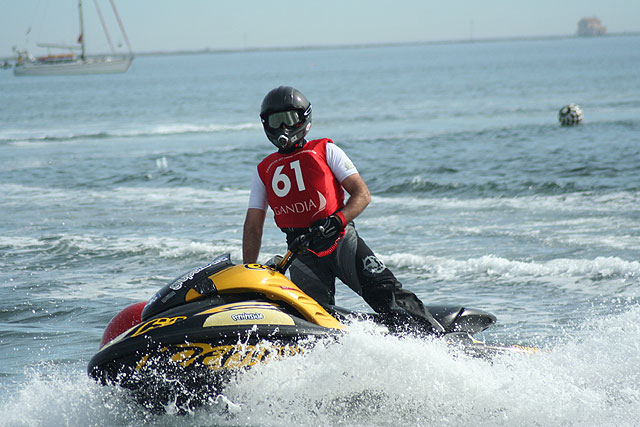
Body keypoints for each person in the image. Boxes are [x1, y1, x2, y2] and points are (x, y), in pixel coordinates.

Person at [242, 86, 444, 334]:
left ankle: (438, 339)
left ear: (304, 119)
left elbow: (362, 195)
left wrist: (337, 221)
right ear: (266, 125)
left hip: (341, 242)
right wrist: (248, 272)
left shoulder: (326, 151)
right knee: (314, 326)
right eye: (276, 121)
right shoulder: (263, 170)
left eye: (290, 119)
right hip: (302, 256)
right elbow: (253, 225)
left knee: (389, 297)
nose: (283, 127)